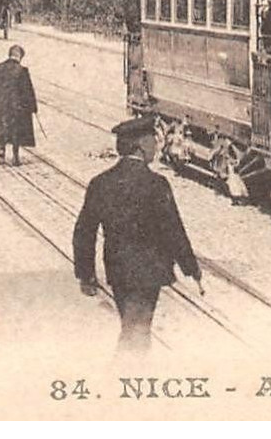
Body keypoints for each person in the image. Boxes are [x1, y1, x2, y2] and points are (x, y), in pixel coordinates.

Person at [72, 116, 202, 353]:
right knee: (137, 331)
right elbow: (174, 230)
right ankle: (126, 375)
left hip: (117, 270)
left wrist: (86, 274)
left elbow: (84, 231)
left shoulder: (100, 183)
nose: (156, 145)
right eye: (153, 140)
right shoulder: (156, 184)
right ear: (141, 144)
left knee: (133, 326)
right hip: (150, 272)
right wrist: (190, 267)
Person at [0, 45, 39, 166]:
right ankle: (15, 156)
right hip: (16, 106)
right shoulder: (22, 70)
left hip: (0, 104)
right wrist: (33, 107)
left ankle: (1, 153)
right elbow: (28, 91)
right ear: (19, 56)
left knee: (2, 128)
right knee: (16, 131)